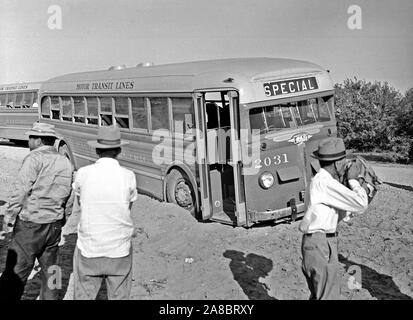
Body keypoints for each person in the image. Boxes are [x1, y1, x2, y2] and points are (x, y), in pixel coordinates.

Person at [0, 122, 74, 300]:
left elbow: (21, 190)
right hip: (54, 224)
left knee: (17, 270)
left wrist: (9, 217)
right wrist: (62, 218)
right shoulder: (65, 161)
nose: (28, 141)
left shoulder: (34, 159)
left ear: (39, 140)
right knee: (52, 269)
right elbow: (70, 196)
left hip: (31, 224)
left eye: (30, 138)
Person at [72, 126, 138, 300]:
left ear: (97, 150)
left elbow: (80, 203)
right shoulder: (128, 176)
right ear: (119, 150)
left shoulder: (83, 173)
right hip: (119, 250)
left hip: (89, 248)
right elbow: (128, 207)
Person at [299, 137, 368, 300]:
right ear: (337, 163)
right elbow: (361, 204)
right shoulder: (325, 183)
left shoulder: (322, 181)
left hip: (316, 243)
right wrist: (353, 180)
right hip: (321, 244)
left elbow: (343, 214)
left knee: (320, 294)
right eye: (344, 160)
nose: (346, 164)